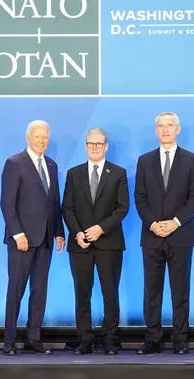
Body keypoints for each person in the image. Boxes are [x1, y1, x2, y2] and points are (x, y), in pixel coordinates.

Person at [134, 112, 194, 355]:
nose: (165, 130)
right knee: (151, 291)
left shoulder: (191, 160)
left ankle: (180, 339)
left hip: (181, 235)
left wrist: (174, 222)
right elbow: (139, 198)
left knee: (180, 290)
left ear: (178, 129)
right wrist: (153, 223)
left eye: (170, 125)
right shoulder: (144, 161)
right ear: (156, 130)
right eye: (161, 126)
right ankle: (152, 339)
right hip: (152, 235)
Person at [0, 120, 65, 355]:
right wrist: (18, 233)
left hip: (46, 239)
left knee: (39, 291)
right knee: (16, 290)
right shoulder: (14, 163)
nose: (42, 141)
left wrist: (59, 231)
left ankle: (33, 338)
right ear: (28, 138)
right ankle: (9, 341)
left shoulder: (52, 164)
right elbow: (7, 204)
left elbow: (54, 202)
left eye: (45, 137)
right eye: (37, 137)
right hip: (22, 240)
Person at [62, 128, 129, 355]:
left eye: (99, 144)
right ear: (85, 146)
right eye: (91, 143)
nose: (95, 147)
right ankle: (85, 339)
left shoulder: (118, 173)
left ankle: (110, 339)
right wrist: (77, 232)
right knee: (82, 293)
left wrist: (101, 228)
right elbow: (67, 207)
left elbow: (122, 208)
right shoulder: (73, 173)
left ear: (106, 146)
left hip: (109, 243)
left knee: (110, 293)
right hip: (79, 244)